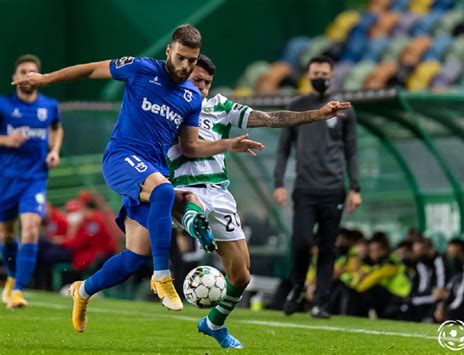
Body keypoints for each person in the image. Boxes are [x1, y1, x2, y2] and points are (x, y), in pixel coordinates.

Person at [12, 24, 264, 332]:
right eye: (181, 58)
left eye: (192, 60)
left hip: (151, 169)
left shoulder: (191, 98)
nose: (186, 66)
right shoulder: (140, 68)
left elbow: (190, 145)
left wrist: (229, 144)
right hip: (122, 157)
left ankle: (83, 291)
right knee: (164, 191)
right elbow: (91, 70)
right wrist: (44, 79)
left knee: (132, 258)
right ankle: (162, 276)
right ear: (169, 51)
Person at [168, 55, 350, 348]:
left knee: (241, 276)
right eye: (196, 81)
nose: (201, 88)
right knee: (191, 203)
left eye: (207, 83)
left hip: (220, 193)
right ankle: (194, 223)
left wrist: (317, 114)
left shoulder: (220, 107)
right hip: (183, 188)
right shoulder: (169, 106)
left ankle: (213, 324)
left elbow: (270, 118)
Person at [273, 55, 362, 318]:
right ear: (307, 74)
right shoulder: (297, 105)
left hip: (334, 188)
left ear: (332, 76)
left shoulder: (345, 109)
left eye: (324, 73)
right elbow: (283, 150)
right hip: (305, 188)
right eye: (315, 73)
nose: (320, 77)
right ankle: (298, 287)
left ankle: (320, 302)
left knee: (328, 247)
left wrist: (355, 187)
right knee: (301, 243)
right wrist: (278, 183)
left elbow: (352, 151)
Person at [0, 54, 63, 308]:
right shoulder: (3, 106)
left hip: (35, 179)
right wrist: (6, 140)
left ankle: (18, 291)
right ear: (14, 79)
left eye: (32, 71)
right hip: (6, 180)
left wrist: (54, 150)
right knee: (6, 236)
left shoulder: (49, 106)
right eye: (22, 71)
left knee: (30, 229)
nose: (27, 76)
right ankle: (12, 278)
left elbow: (56, 128)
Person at [434, 239, 464, 324]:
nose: (451, 257)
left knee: (452, 313)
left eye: (453, 253)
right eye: (449, 254)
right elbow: (449, 290)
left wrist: (450, 309)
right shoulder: (457, 270)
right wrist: (441, 307)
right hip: (461, 306)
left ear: (462, 252)